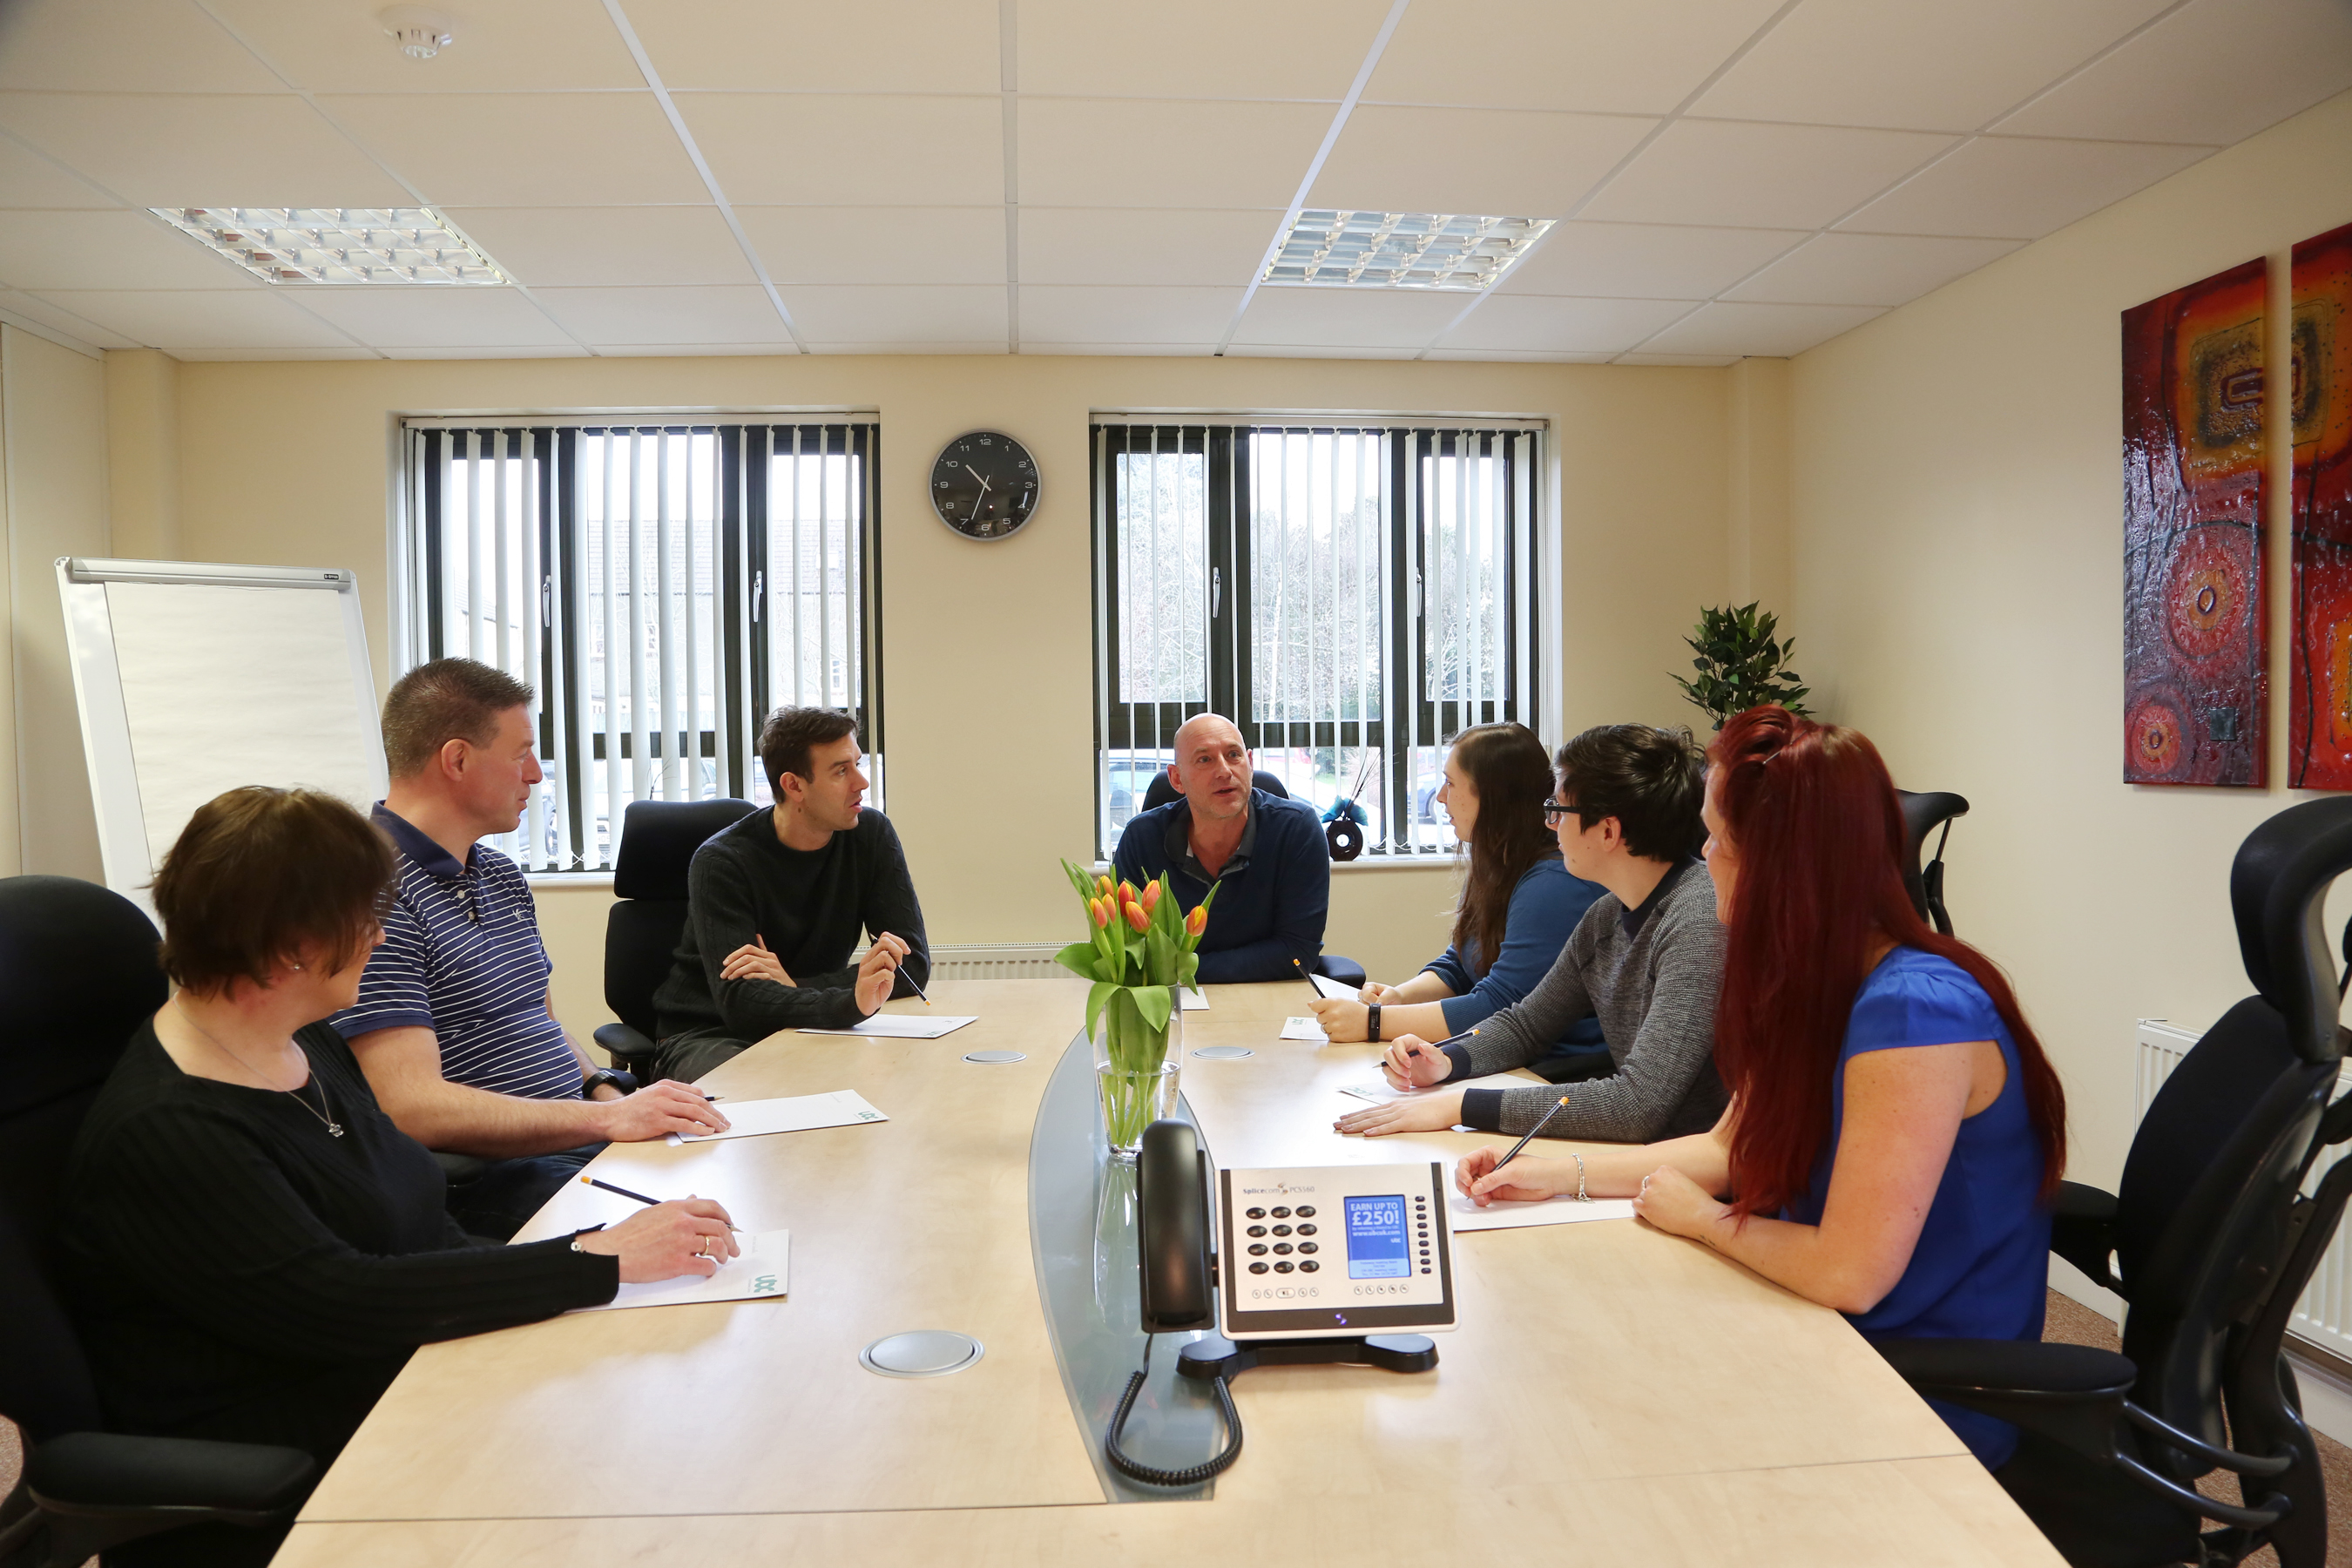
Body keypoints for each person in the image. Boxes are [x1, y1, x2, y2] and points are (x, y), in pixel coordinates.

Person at [58, 787, 735, 1568]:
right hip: (291, 1445)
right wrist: (593, 1262)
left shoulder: (303, 1041)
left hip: (401, 1366)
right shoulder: (170, 1130)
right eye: (365, 918)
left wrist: (589, 1261)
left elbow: (418, 1222)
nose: (382, 936)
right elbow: (342, 1301)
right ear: (290, 953)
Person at [1456, 706, 2066, 1470]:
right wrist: (1553, 1175)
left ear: (1779, 865)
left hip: (1916, 1388)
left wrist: (1704, 1223)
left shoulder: (1917, 1010)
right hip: (1815, 1322)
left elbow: (1849, 1270)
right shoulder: (1815, 985)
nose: (1702, 852)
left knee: (1605, 1435)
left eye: (1717, 837)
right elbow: (1726, 1147)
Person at [333, 659, 728, 1241]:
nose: (537, 775)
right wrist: (605, 1118)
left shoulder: (499, 875)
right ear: (458, 760)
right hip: (492, 1178)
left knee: (743, 1169)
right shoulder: (372, 890)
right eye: (521, 753)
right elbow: (410, 1106)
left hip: (574, 1138)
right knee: (709, 1228)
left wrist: (605, 1087)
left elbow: (537, 1021)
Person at [1335, 723, 1726, 1143]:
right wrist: (1446, 1062)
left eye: (1559, 811)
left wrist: (1461, 1104)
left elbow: (1637, 1106)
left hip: (1691, 1168)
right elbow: (1527, 1024)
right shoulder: (1607, 914)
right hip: (1647, 1155)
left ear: (1608, 832)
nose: (1550, 824)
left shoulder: (1696, 920)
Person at [1309, 723, 1607, 1072]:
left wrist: (1374, 1021)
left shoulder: (1554, 883)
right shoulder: (1499, 862)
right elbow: (1460, 965)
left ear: (1493, 795)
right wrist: (1400, 996)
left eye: (1451, 783)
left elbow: (1497, 1003)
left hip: (1555, 1073)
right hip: (1503, 1058)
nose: (1439, 796)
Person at [652, 706, 929, 1082]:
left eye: (857, 763)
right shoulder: (722, 862)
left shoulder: (870, 834)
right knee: (761, 1089)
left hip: (809, 1021)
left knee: (892, 1078)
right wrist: (849, 998)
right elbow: (741, 1003)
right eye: (841, 770)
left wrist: (795, 987)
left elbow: (911, 967)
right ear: (794, 785)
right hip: (710, 1033)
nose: (862, 782)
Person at [1113, 713, 1330, 983]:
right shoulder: (1141, 838)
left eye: (1233, 755)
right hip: (1173, 1003)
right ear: (1177, 779)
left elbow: (1298, 952)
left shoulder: (1297, 830)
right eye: (1205, 759)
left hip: (1264, 997)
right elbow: (1121, 947)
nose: (1225, 771)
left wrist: (1183, 969)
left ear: (1250, 764)